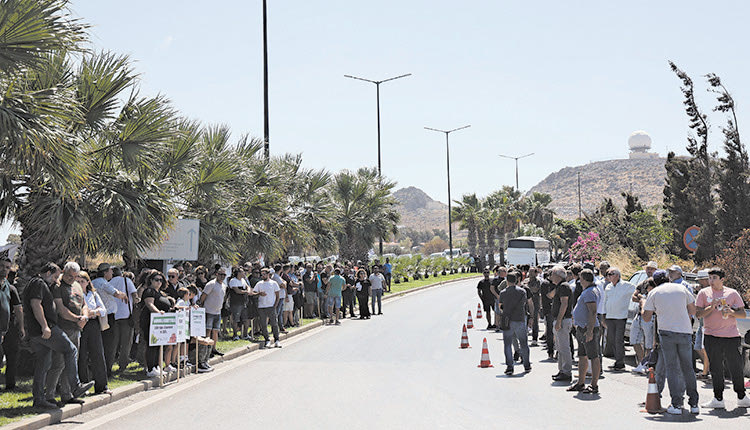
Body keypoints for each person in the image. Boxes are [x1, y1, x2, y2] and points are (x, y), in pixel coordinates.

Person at [25, 262, 94, 409]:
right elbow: (36, 305)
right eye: (56, 277)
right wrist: (44, 326)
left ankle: (39, 398)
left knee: (43, 365)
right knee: (70, 351)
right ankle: (75, 387)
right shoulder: (38, 283)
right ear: (48, 273)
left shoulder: (40, 284)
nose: (57, 280)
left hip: (40, 330)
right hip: (46, 328)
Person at [643, 270, 699, 415]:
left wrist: (644, 305)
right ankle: (694, 403)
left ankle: (677, 404)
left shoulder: (654, 292)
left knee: (672, 368)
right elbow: (693, 310)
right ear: (668, 278)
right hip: (685, 331)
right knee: (688, 368)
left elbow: (646, 318)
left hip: (666, 332)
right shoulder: (682, 289)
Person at [695, 267, 750, 409]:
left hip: (731, 336)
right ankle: (718, 398)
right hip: (711, 336)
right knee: (716, 368)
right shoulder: (703, 293)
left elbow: (743, 314)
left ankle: (742, 396)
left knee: (735, 367)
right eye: (709, 278)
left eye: (714, 278)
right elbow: (698, 314)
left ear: (722, 279)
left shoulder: (732, 293)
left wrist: (731, 312)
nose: (711, 281)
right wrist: (711, 307)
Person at [45, 262, 89, 405]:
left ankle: (67, 394)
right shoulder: (57, 286)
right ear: (64, 271)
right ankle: (49, 395)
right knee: (59, 363)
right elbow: (60, 309)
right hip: (63, 327)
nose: (72, 279)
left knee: (71, 363)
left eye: (75, 276)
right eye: (70, 275)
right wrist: (77, 319)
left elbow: (84, 304)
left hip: (76, 328)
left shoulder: (77, 285)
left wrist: (85, 316)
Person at [567, 269, 601, 394]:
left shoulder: (590, 292)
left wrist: (590, 331)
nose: (579, 281)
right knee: (582, 355)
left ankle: (594, 385)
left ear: (585, 279)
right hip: (582, 328)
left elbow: (592, 312)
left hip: (588, 328)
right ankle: (581, 383)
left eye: (580, 279)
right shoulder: (589, 291)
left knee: (593, 356)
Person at [76, 271, 110, 395]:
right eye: (77, 281)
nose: (80, 284)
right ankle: (82, 384)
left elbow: (103, 309)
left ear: (87, 282)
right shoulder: (74, 294)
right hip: (81, 324)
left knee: (98, 354)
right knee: (81, 356)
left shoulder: (93, 294)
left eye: (82, 281)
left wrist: (93, 312)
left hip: (93, 324)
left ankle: (102, 385)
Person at [92, 262, 127, 378]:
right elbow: (116, 293)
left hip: (99, 316)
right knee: (109, 345)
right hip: (107, 316)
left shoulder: (94, 282)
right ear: (105, 272)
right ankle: (106, 371)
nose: (112, 273)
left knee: (100, 345)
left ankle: (100, 370)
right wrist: (124, 295)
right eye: (110, 271)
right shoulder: (103, 283)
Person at [140, 271, 173, 377]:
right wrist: (158, 313)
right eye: (156, 280)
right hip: (151, 321)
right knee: (151, 345)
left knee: (158, 344)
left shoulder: (160, 292)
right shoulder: (149, 291)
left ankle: (156, 366)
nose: (159, 282)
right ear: (151, 280)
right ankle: (150, 369)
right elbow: (149, 304)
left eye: (161, 280)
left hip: (160, 323)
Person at [603, 268, 635, 371]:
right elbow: (605, 301)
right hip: (610, 316)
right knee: (611, 339)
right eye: (608, 274)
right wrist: (603, 315)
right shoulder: (608, 287)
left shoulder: (627, 286)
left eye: (611, 274)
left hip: (621, 317)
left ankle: (620, 362)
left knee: (618, 340)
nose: (609, 276)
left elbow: (636, 290)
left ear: (617, 275)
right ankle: (617, 360)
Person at [499, 272, 531, 375]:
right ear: (516, 281)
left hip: (508, 320)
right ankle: (526, 365)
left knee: (507, 344)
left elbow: (500, 307)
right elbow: (524, 303)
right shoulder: (522, 292)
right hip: (520, 319)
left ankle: (510, 367)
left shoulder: (503, 293)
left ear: (507, 281)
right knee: (524, 344)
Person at [0, 258, 23, 391]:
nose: (4, 269)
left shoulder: (11, 288)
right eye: (2, 266)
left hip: (9, 329)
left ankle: (10, 385)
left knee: (12, 357)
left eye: (7, 267)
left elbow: (18, 308)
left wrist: (21, 327)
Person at [547, 265, 573, 382]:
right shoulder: (559, 287)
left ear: (557, 275)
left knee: (564, 347)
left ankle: (567, 371)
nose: (550, 276)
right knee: (560, 347)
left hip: (562, 320)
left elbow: (564, 304)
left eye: (552, 274)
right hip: (559, 320)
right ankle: (562, 370)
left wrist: (558, 320)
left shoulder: (563, 286)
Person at [109, 267, 137, 373]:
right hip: (126, 315)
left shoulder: (110, 282)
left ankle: (109, 364)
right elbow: (134, 294)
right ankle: (122, 365)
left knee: (113, 343)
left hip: (113, 315)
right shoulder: (127, 280)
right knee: (126, 342)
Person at [630, 277, 656, 375]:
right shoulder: (642, 285)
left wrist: (643, 299)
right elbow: (634, 297)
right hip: (639, 316)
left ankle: (646, 365)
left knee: (649, 344)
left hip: (650, 318)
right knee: (634, 340)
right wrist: (641, 298)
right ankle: (641, 363)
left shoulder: (655, 293)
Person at [199, 268, 226, 356]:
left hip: (218, 312)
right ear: (216, 274)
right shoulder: (211, 284)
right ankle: (207, 349)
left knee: (215, 331)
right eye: (220, 274)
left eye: (224, 275)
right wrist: (202, 305)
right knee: (208, 330)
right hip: (209, 311)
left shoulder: (224, 286)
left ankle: (213, 348)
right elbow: (203, 296)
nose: (222, 277)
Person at [253, 268, 281, 348]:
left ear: (268, 274)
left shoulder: (273, 283)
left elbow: (277, 295)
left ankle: (277, 340)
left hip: (271, 306)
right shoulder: (259, 283)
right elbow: (254, 292)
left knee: (274, 324)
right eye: (262, 274)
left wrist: (275, 306)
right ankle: (267, 340)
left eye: (264, 274)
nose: (263, 275)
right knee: (263, 324)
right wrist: (259, 293)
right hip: (262, 306)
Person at [693, 270, 710, 380]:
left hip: (708, 324)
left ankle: (706, 371)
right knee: (698, 347)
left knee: (705, 348)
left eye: (701, 280)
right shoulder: (701, 291)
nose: (699, 283)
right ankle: (707, 368)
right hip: (701, 323)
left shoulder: (710, 293)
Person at [227, 266, 250, 340]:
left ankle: (245, 334)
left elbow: (247, 286)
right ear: (238, 273)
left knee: (246, 319)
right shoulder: (233, 281)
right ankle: (235, 335)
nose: (244, 273)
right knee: (236, 319)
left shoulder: (243, 280)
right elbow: (237, 291)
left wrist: (248, 290)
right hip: (236, 303)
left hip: (244, 303)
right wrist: (246, 292)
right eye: (242, 271)